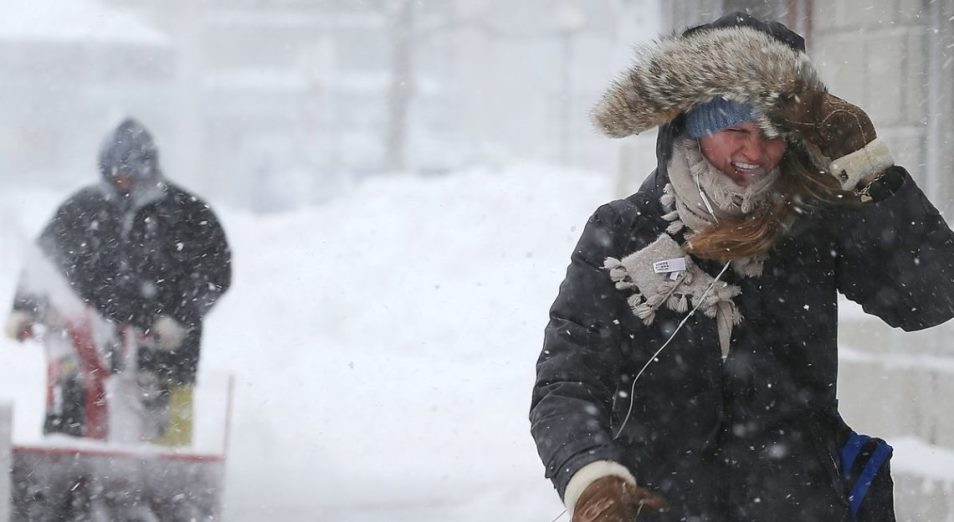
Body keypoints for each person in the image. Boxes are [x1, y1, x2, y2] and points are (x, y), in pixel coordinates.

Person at [530, 12, 954, 522]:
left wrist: (868, 167)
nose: (755, 152)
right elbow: (569, 378)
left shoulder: (813, 226)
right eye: (735, 130)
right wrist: (591, 478)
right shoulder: (625, 230)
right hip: (660, 507)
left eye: (773, 134)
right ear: (693, 125)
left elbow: (929, 295)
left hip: (798, 505)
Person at [4, 117, 232, 447]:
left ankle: (165, 488)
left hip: (167, 355)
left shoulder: (188, 215)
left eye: (129, 176)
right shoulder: (81, 209)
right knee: (70, 425)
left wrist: (180, 319)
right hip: (89, 348)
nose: (121, 183)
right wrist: (24, 309)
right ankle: (66, 479)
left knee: (166, 447)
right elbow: (44, 264)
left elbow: (215, 275)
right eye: (114, 176)